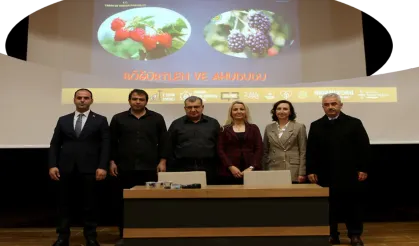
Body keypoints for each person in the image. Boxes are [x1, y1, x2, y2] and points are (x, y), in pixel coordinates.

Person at [306, 93, 370, 246]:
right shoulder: (316, 125)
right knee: (329, 206)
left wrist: (363, 168)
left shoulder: (354, 123)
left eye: (334, 104)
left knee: (352, 205)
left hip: (350, 173)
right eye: (327, 105)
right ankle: (332, 235)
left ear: (341, 105)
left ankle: (355, 235)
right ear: (323, 107)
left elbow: (364, 148)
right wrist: (311, 170)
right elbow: (311, 150)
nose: (331, 107)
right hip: (325, 173)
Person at [48, 88, 110, 246]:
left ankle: (90, 237)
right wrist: (52, 165)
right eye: (79, 97)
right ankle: (62, 237)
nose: (83, 100)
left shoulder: (100, 120)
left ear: (91, 100)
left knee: (90, 205)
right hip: (65, 168)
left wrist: (103, 166)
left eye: (86, 98)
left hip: (91, 169)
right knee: (63, 204)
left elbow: (106, 145)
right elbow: (55, 144)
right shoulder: (63, 120)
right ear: (74, 100)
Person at [109, 89, 168, 246]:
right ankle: (124, 234)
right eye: (134, 99)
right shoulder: (118, 118)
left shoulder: (156, 118)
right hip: (124, 167)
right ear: (129, 101)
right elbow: (112, 142)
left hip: (150, 167)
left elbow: (164, 141)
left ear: (146, 101)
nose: (137, 102)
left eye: (141, 99)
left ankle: (150, 233)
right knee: (123, 203)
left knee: (150, 202)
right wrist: (112, 161)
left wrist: (162, 161)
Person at [167, 96, 220, 185]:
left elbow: (219, 145)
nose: (193, 109)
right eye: (189, 107)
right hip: (182, 167)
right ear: (185, 108)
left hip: (209, 168)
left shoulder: (213, 123)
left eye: (196, 107)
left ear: (202, 107)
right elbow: (169, 145)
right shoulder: (176, 124)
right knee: (184, 196)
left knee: (209, 196)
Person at [217, 101, 263, 184]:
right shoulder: (224, 129)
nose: (238, 111)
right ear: (231, 113)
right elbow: (220, 150)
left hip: (251, 170)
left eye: (242, 109)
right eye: (235, 109)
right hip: (229, 172)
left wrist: (251, 167)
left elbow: (259, 149)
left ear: (246, 112)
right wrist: (230, 166)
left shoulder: (254, 128)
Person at [262, 100, 307, 183]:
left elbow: (303, 151)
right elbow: (265, 151)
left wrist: (302, 172)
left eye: (285, 109)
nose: (281, 111)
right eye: (279, 109)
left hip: (292, 169)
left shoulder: (299, 127)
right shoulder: (269, 127)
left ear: (290, 112)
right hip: (273, 167)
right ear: (275, 112)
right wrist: (264, 170)